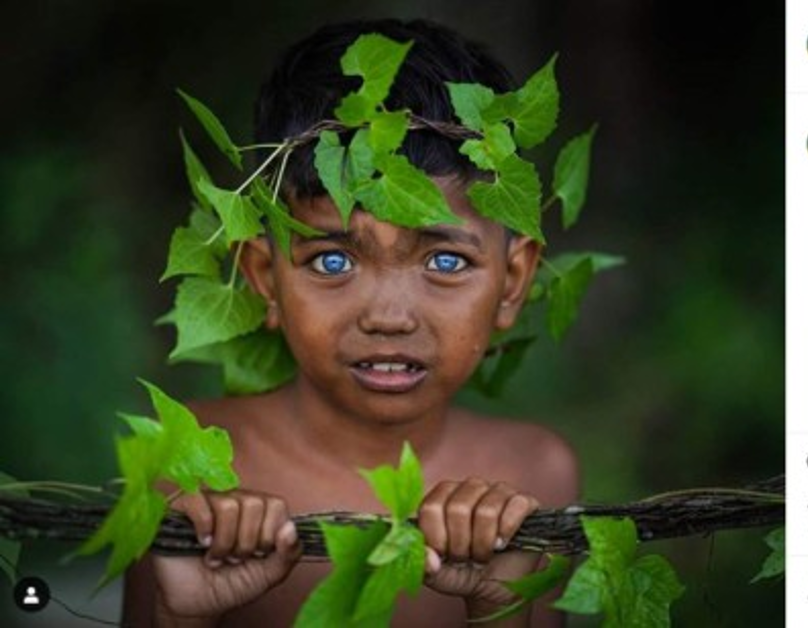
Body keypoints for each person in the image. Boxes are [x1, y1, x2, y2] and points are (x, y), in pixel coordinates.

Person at [122, 18, 580, 627]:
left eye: (446, 261)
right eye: (332, 261)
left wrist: (500, 606)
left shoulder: (537, 472)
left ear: (513, 281)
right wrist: (183, 618)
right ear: (264, 278)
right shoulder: (184, 468)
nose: (389, 317)